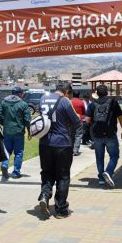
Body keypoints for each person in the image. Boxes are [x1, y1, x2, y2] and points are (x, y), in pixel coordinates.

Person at [38, 82, 80, 219]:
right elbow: (76, 121)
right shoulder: (65, 102)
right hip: (62, 144)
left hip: (44, 143)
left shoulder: (43, 99)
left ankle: (45, 195)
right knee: (63, 176)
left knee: (47, 172)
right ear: (66, 92)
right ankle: (61, 209)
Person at [85, 85, 122, 188]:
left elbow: (87, 120)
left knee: (99, 157)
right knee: (114, 155)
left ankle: (101, 179)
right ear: (107, 92)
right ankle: (108, 172)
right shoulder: (113, 102)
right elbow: (120, 117)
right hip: (110, 134)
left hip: (97, 135)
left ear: (97, 94)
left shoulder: (92, 104)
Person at [0, 86, 31, 180]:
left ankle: (4, 165)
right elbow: (27, 119)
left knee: (7, 151)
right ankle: (16, 172)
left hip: (7, 132)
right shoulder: (23, 104)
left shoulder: (4, 102)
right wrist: (29, 130)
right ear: (20, 94)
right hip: (19, 132)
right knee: (19, 152)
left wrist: (5, 124)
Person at [70, 91, 85, 156]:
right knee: (78, 135)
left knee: (71, 135)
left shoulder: (70, 101)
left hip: (70, 120)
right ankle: (75, 150)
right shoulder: (81, 102)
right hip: (79, 120)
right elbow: (84, 112)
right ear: (79, 95)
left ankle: (70, 149)